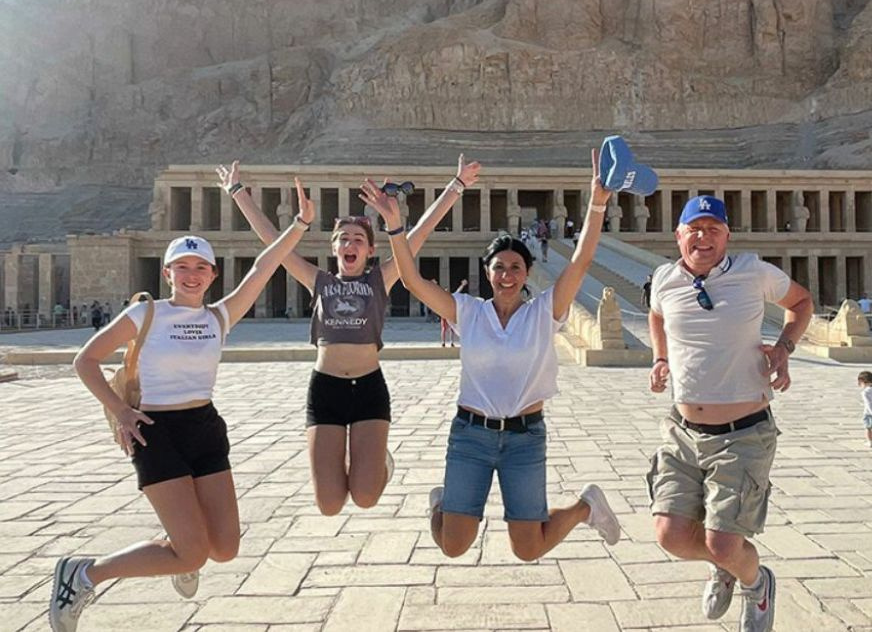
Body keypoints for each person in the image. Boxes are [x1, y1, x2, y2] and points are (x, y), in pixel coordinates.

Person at [50, 206, 314, 632]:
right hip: (156, 432)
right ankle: (83, 574)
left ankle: (175, 551)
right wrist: (121, 411)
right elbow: (86, 360)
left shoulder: (219, 316)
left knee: (224, 548)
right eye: (182, 267)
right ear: (167, 273)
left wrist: (300, 224)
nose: (191, 275)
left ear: (213, 275)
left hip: (205, 428)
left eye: (200, 267)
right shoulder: (145, 314)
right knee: (193, 553)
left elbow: (265, 266)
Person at [361, 148, 620, 561]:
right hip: (471, 435)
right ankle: (440, 505)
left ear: (527, 273)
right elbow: (410, 281)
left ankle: (585, 507)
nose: (507, 275)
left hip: (524, 437)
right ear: (487, 272)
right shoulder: (468, 312)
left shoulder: (544, 313)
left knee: (528, 548)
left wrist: (598, 202)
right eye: (499, 267)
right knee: (453, 545)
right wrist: (395, 225)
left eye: (516, 267)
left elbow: (581, 260)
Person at [226, 156, 480, 516]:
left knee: (365, 497)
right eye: (343, 239)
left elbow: (420, 233)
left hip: (368, 389)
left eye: (358, 239)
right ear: (334, 248)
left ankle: (379, 464)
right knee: (329, 505)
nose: (350, 244)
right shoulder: (318, 280)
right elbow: (272, 241)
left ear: (370, 250)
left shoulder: (380, 280)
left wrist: (457, 185)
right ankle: (359, 461)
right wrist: (238, 192)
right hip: (325, 389)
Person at [647, 195, 813, 632]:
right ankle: (724, 565)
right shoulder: (665, 278)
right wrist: (660, 358)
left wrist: (785, 347)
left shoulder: (753, 272)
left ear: (727, 236)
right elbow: (656, 315)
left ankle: (756, 584)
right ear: (678, 235)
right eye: (694, 229)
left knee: (723, 543)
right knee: (669, 535)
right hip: (683, 431)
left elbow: (801, 303)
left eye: (713, 229)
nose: (703, 237)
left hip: (743, 432)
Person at [440, 280, 467, 347]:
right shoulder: (441, 298)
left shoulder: (452, 296)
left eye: (447, 291)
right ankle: (443, 342)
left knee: (452, 329)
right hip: (444, 314)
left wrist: (462, 285)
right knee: (444, 328)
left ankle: (451, 342)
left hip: (450, 314)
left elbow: (458, 291)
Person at [859, 371, 872, 448]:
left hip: (868, 413)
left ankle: (869, 441)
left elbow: (868, 403)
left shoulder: (865, 392)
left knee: (868, 427)